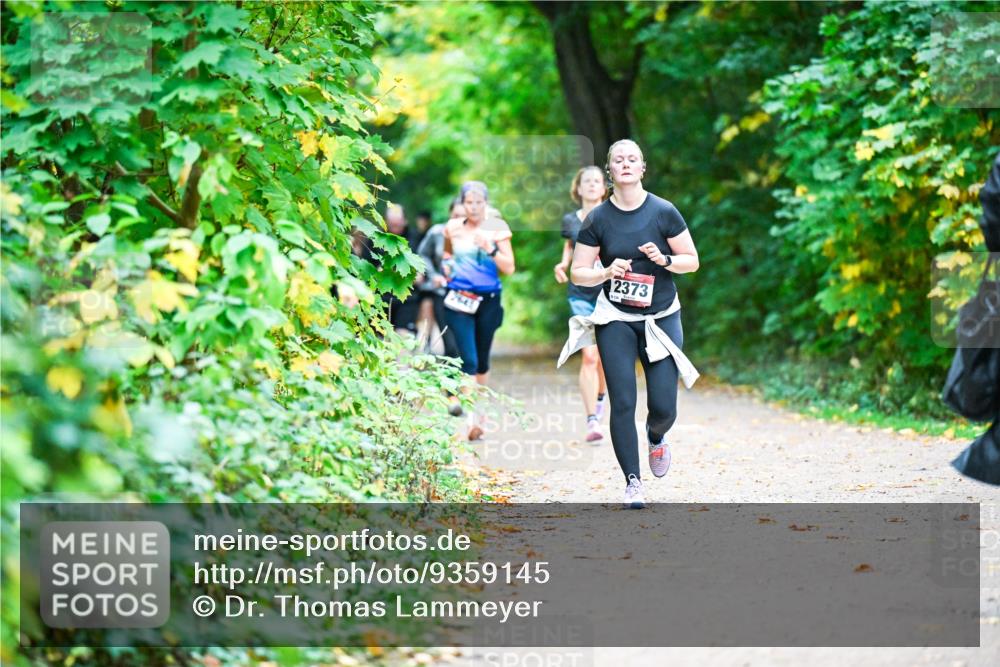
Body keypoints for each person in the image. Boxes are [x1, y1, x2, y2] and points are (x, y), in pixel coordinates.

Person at [558, 139, 700, 509]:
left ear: (642, 168)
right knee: (623, 401)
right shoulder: (598, 219)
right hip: (616, 318)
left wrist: (665, 259)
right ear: (610, 170)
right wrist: (605, 271)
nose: (625, 163)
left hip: (661, 317)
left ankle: (656, 436)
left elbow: (692, 261)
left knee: (664, 406)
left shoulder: (663, 211)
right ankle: (633, 482)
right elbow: (580, 272)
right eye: (618, 159)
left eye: (632, 159)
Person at [442, 182, 515, 440]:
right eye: (468, 203)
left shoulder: (497, 228)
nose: (473, 207)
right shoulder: (452, 228)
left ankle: (480, 410)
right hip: (458, 300)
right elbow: (447, 255)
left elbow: (509, 268)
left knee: (482, 361)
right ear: (462, 204)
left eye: (478, 202)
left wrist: (490, 248)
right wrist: (446, 269)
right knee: (469, 360)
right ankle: (472, 420)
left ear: (486, 203)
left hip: (489, 300)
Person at [554, 166, 609, 443]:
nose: (591, 185)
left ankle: (600, 400)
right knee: (589, 355)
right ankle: (591, 420)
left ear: (603, 188)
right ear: (578, 188)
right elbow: (569, 250)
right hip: (581, 295)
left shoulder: (613, 215)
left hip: (611, 294)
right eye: (586, 181)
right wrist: (562, 265)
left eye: (596, 181)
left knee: (605, 359)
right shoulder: (570, 220)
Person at [385, 204, 422, 335]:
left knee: (403, 336)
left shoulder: (415, 238)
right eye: (391, 225)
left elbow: (421, 275)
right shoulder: (376, 238)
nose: (395, 229)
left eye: (398, 225)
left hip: (407, 299)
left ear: (405, 221)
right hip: (382, 297)